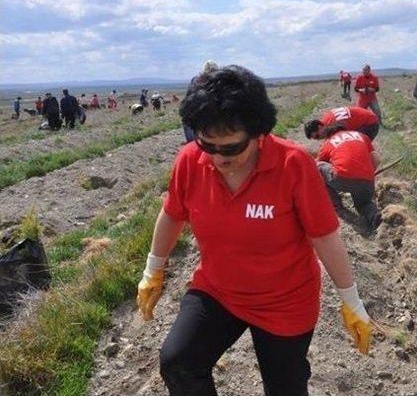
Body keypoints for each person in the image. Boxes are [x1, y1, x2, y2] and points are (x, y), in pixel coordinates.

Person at [136, 65, 372, 396]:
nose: (218, 158)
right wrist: (152, 271)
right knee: (178, 362)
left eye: (231, 148)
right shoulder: (190, 161)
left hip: (285, 303)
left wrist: (351, 300)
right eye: (208, 145)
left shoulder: (293, 165)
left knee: (285, 388)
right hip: (219, 291)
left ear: (259, 133)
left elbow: (324, 236)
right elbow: (172, 213)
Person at [316, 124, 381, 230]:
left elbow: (319, 167)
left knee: (317, 167)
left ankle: (338, 208)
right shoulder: (362, 136)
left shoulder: (328, 142)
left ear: (329, 134)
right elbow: (376, 159)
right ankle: (375, 217)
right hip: (367, 180)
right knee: (365, 204)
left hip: (343, 178)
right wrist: (368, 176)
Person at [304, 106, 380, 142]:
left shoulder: (334, 126)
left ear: (320, 127)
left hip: (370, 124)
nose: (319, 139)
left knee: (356, 146)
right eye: (316, 138)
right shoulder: (327, 119)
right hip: (365, 120)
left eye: (317, 136)